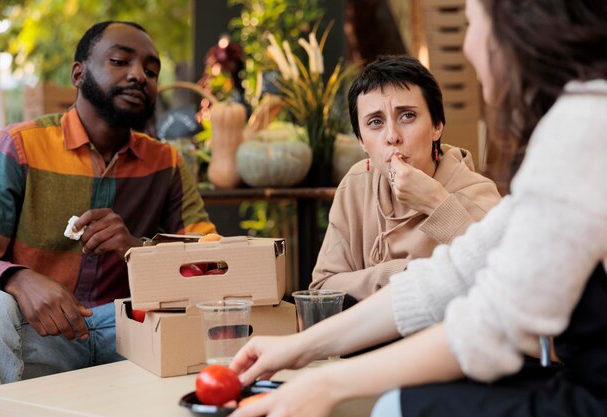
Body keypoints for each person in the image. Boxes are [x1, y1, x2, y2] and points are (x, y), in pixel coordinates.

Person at [228, 0, 607, 416]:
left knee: (395, 406)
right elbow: (447, 277)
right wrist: (296, 347)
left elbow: (492, 322)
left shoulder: (584, 126)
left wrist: (328, 383)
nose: (466, 45)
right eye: (374, 123)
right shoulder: (580, 118)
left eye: (471, 22)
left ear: (512, 30)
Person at [0, 21, 215, 388]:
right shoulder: (19, 146)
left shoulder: (166, 162)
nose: (139, 76)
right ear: (79, 73)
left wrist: (139, 248)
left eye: (151, 71)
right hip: (37, 331)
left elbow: (213, 263)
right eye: (121, 61)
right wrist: (17, 278)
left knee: (219, 312)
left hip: (131, 331)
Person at [310, 55, 500, 301]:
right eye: (375, 122)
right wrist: (403, 273)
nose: (392, 136)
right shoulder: (356, 183)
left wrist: (437, 202)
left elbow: (506, 281)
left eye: (407, 116)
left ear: (437, 126)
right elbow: (322, 288)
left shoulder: (476, 193)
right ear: (361, 141)